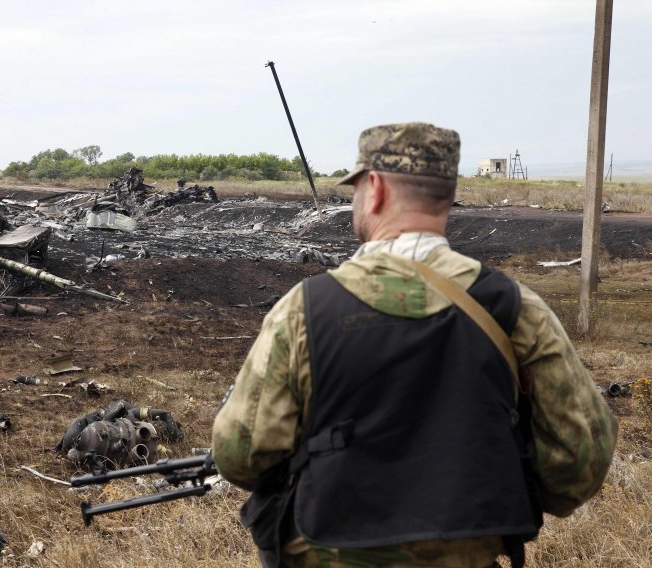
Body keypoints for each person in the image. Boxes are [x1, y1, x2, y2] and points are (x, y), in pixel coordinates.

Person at [211, 123, 618, 568]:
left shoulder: (303, 311)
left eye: (357, 189)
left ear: (378, 189)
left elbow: (240, 454)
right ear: (445, 193)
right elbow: (581, 457)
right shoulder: (515, 308)